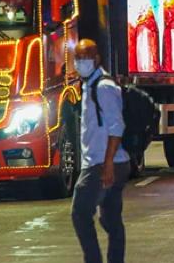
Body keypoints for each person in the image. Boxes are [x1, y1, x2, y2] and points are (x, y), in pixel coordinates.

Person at [72, 39, 131, 263]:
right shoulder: (88, 85)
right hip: (107, 162)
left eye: (85, 58)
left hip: (103, 163)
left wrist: (107, 165)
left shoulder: (104, 87)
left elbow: (117, 127)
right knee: (110, 220)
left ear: (96, 59)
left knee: (80, 213)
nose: (80, 63)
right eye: (77, 58)